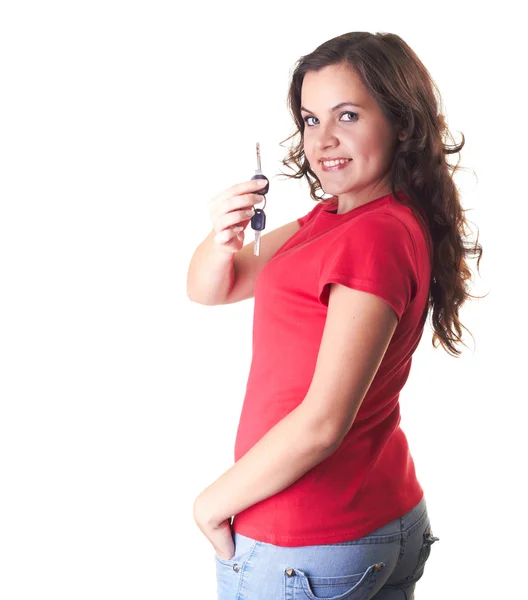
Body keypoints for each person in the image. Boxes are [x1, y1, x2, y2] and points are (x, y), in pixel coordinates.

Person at [187, 31, 482, 600]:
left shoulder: (372, 235)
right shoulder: (336, 218)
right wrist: (223, 236)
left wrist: (211, 503)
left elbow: (323, 423)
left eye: (347, 115)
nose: (323, 140)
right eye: (310, 119)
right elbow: (213, 288)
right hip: (374, 516)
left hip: (307, 540)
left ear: (400, 121)